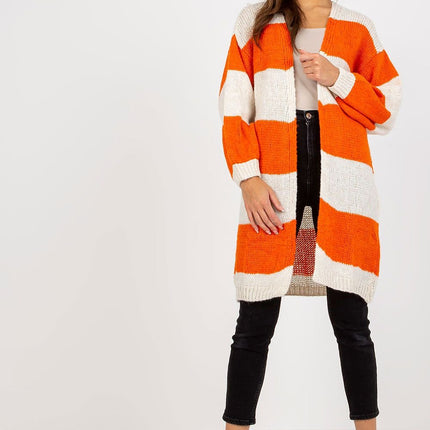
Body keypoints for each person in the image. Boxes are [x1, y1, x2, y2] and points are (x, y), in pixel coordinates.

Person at [217, 0, 402, 429]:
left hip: (343, 179)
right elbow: (233, 102)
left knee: (352, 321)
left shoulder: (357, 26)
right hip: (274, 177)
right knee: (253, 321)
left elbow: (386, 109)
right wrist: (248, 178)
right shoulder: (256, 20)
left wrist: (338, 78)